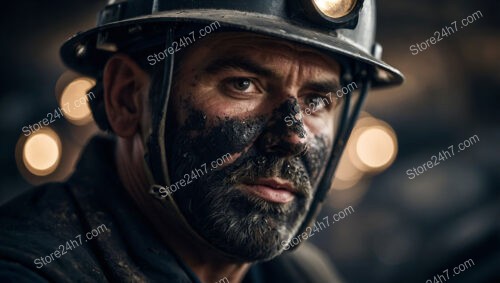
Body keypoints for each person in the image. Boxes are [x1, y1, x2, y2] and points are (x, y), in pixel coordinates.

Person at [0, 0, 403, 282]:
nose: (293, 136)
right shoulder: (29, 269)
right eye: (242, 84)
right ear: (126, 98)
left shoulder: (306, 275)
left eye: (316, 100)